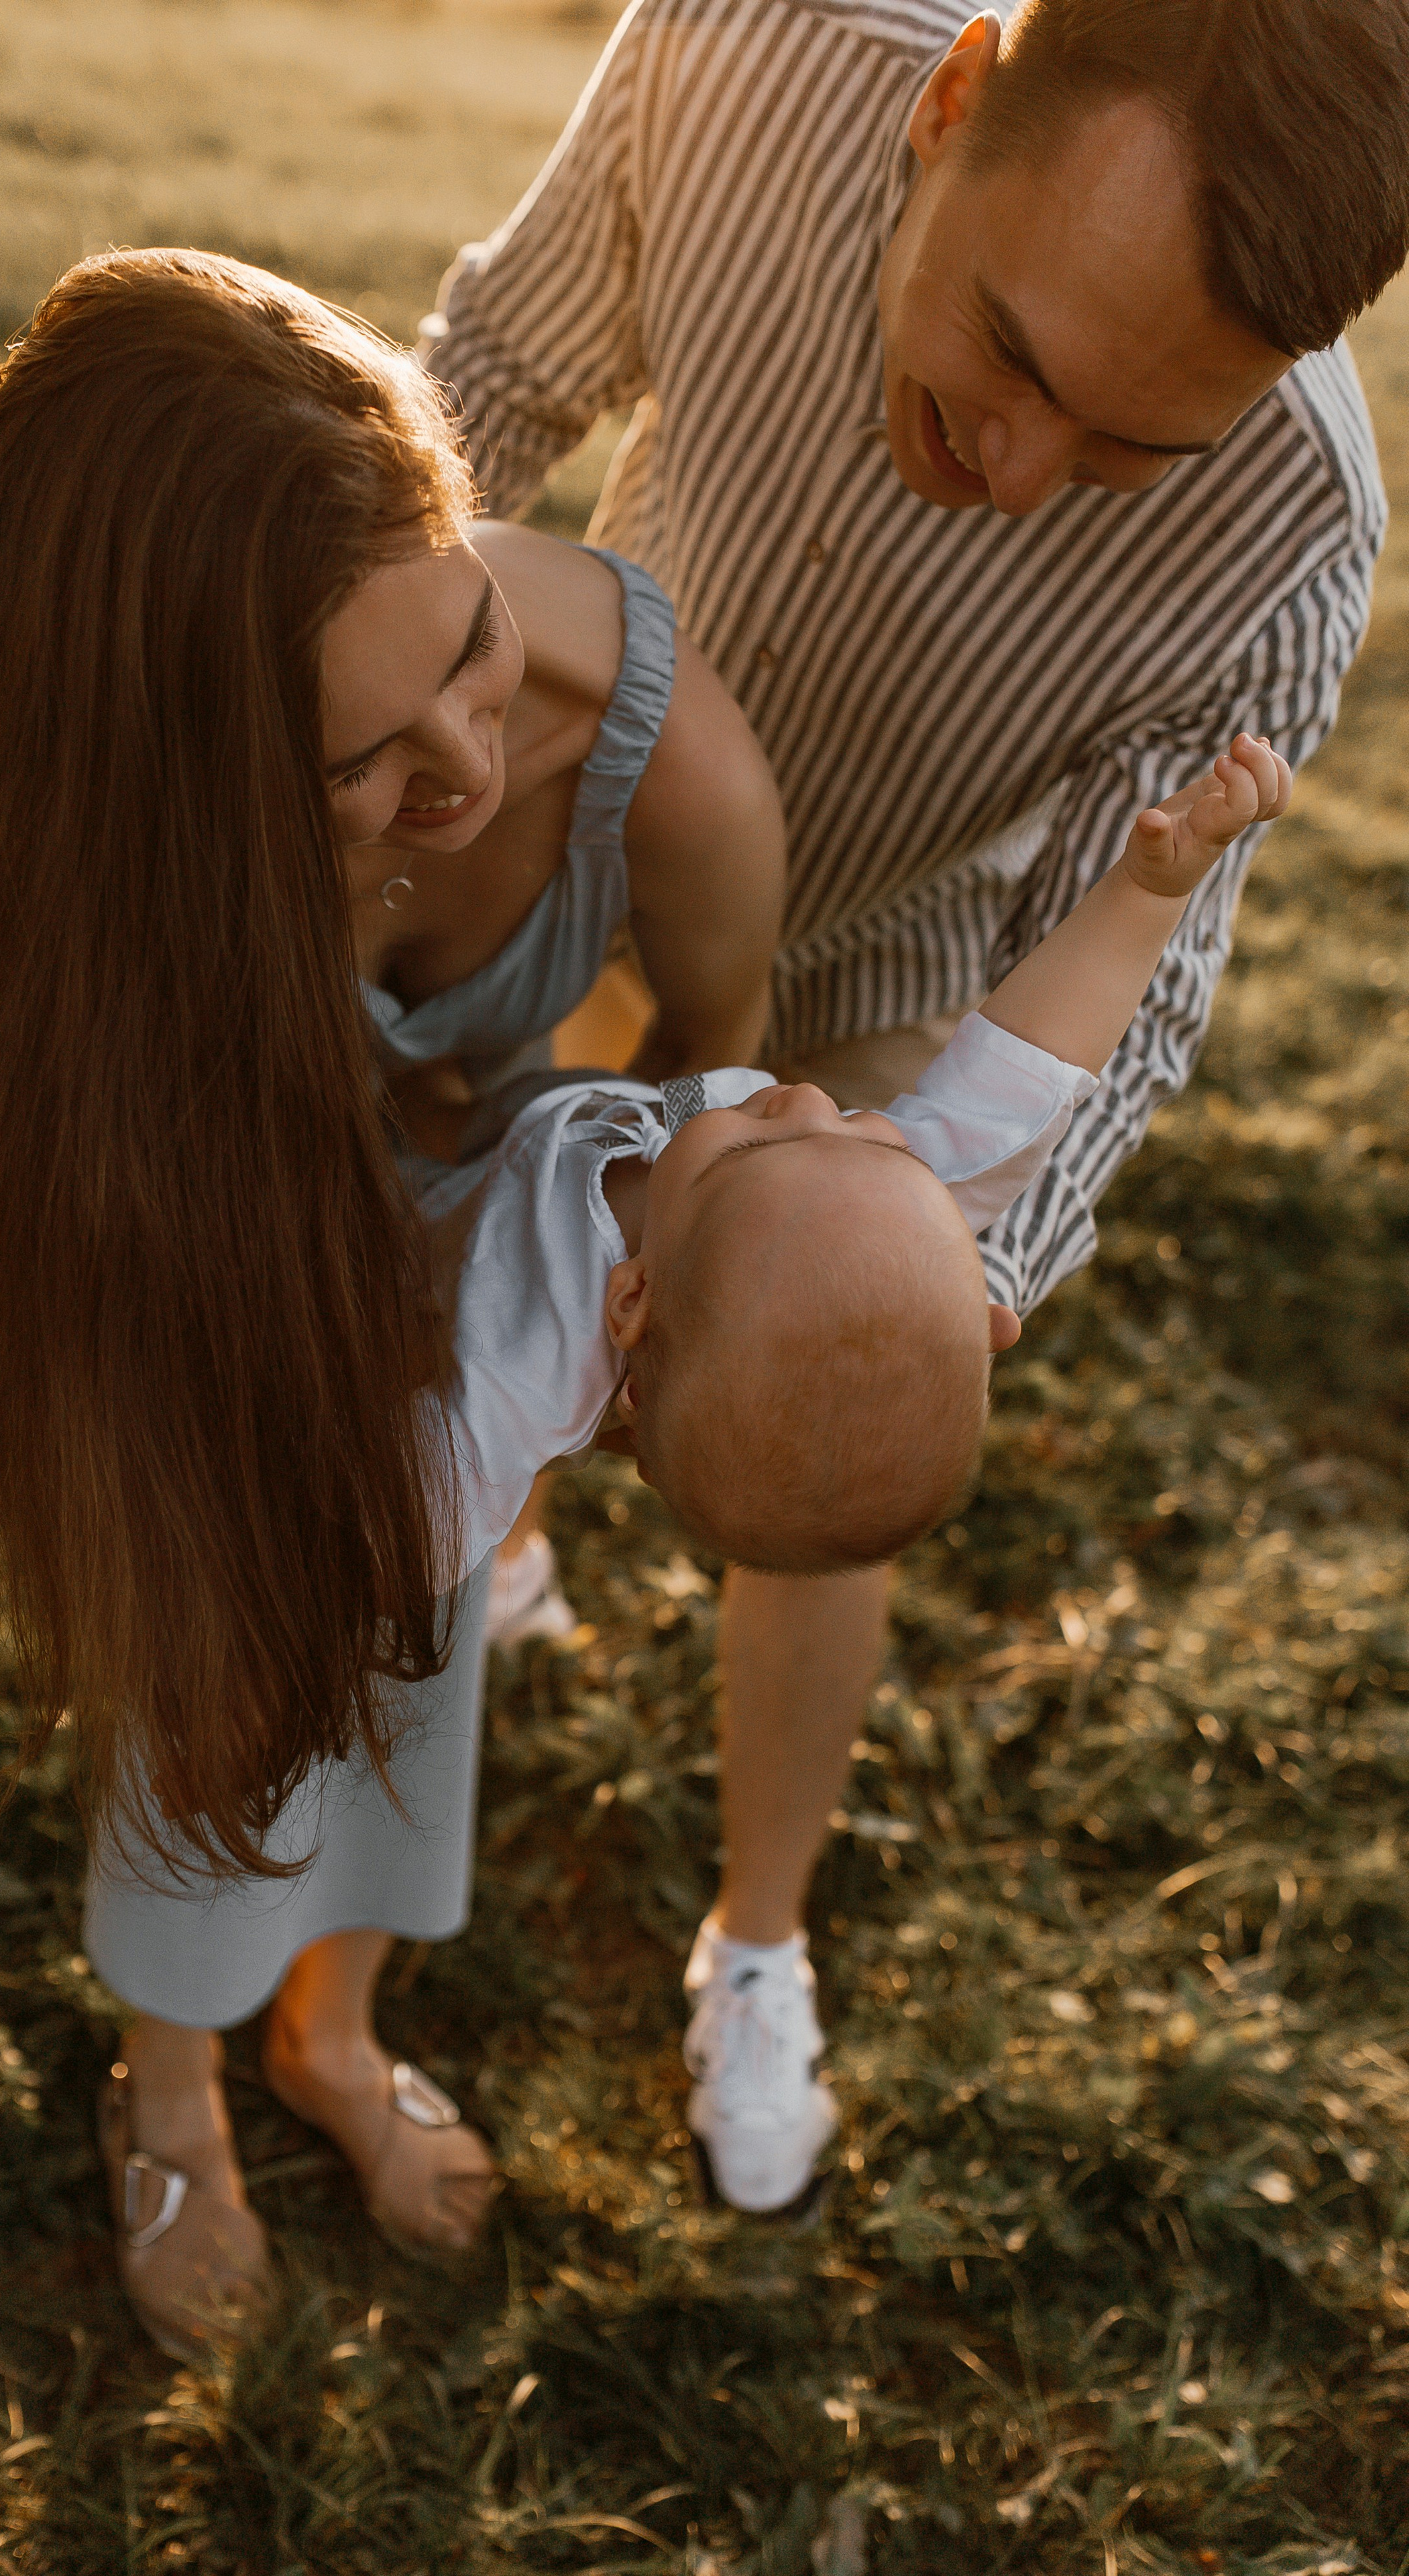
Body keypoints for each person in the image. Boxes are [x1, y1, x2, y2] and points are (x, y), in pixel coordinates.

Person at [424, 0, 1409, 2208]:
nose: (1022, 470)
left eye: (1134, 448)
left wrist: (950, 1272)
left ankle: (756, 1941)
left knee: (839, 1412)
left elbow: (1134, 982)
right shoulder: (745, 45)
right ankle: (478, 1534)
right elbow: (482, 389)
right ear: (953, 100)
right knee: (463, 1228)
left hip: (887, 970)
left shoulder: (1297, 536)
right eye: (1019, 359)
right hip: (546, 811)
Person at [0, 246, 785, 2359]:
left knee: (413, 1678)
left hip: (446, 1335)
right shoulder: (129, 837)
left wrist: (594, 1365)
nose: (462, 760)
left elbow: (698, 1127)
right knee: (203, 1700)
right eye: (360, 762)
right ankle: (170, 2083)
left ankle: (328, 2040)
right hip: (197, 1279)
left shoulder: (678, 773)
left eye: (470, 645)